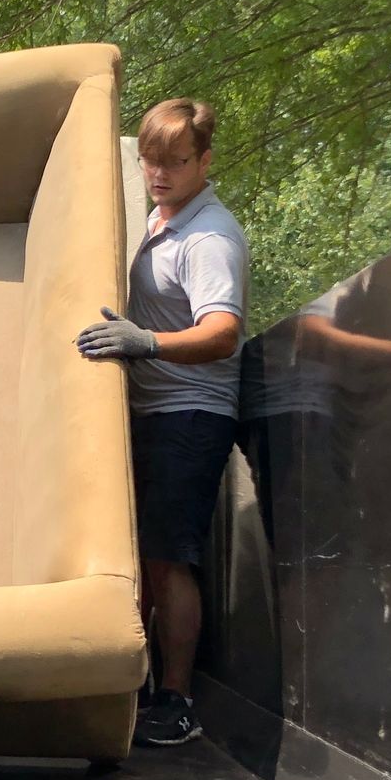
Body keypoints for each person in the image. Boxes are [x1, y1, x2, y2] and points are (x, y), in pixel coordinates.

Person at [76, 99, 247, 745]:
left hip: (191, 413)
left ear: (204, 160)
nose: (159, 172)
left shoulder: (210, 238)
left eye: (176, 162)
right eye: (150, 159)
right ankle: (152, 687)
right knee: (150, 557)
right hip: (155, 410)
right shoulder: (164, 219)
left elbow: (223, 332)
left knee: (171, 561)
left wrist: (144, 342)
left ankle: (177, 699)